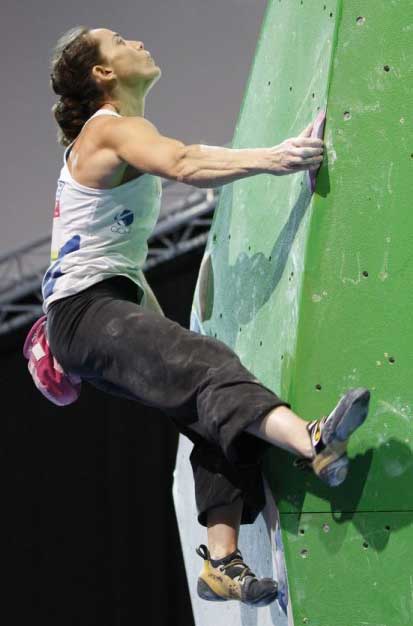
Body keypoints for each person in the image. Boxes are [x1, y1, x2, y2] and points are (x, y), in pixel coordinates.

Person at [43, 26, 371, 608]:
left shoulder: (114, 135)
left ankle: (221, 562)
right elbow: (185, 161)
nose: (137, 40)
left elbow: (113, 262)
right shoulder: (109, 129)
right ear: (103, 73)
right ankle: (313, 441)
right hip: (85, 314)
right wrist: (278, 158)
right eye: (118, 40)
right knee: (209, 369)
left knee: (208, 412)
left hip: (94, 314)